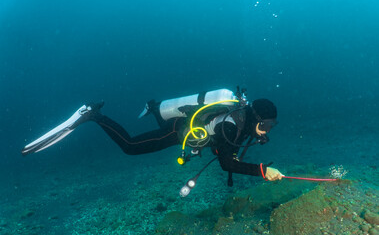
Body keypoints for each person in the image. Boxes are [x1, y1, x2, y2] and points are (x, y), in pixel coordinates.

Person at [21, 88, 284, 191]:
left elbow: (222, 149)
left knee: (159, 127)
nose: (267, 131)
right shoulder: (231, 126)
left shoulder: (240, 125)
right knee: (130, 147)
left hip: (187, 129)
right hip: (178, 131)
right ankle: (93, 115)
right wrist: (263, 171)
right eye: (265, 125)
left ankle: (154, 106)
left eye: (271, 126)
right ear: (255, 118)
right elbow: (227, 163)